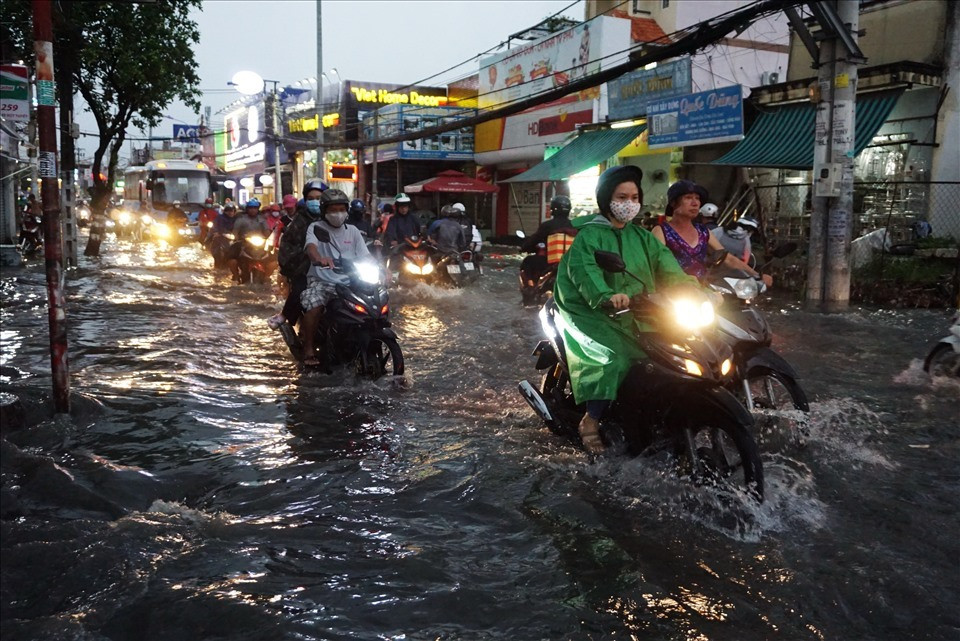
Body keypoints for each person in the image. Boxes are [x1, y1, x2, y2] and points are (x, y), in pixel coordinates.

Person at [554, 165, 696, 454]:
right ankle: (591, 420)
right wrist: (606, 295)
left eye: (634, 197)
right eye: (622, 197)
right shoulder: (588, 236)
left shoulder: (642, 238)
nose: (629, 203)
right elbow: (585, 272)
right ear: (607, 199)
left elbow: (670, 269)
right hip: (588, 309)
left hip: (635, 308)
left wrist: (699, 291)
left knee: (673, 350)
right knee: (615, 358)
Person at [299, 189, 372, 366]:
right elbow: (311, 247)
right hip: (322, 280)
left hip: (350, 281)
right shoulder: (315, 227)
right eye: (333, 210)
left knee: (375, 303)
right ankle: (308, 349)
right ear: (324, 211)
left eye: (341, 209)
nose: (337, 214)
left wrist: (381, 269)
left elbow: (365, 255)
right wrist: (319, 259)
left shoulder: (353, 231)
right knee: (314, 305)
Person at [652, 180, 771, 286]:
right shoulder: (661, 231)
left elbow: (727, 259)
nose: (695, 203)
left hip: (701, 291)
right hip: (671, 293)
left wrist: (757, 275)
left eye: (697, 198)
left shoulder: (703, 232)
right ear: (673, 203)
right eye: (688, 198)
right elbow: (657, 264)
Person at [270, 179, 328, 330]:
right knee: (300, 288)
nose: (315, 202)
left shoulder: (334, 218)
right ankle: (285, 316)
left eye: (319, 198)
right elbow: (286, 246)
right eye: (311, 199)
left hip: (333, 267)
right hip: (306, 267)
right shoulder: (298, 221)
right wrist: (304, 257)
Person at [520, 195, 578, 285]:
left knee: (527, 261)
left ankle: (530, 288)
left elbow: (534, 240)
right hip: (571, 264)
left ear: (552, 209)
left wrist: (524, 247)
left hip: (549, 263)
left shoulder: (547, 226)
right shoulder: (576, 226)